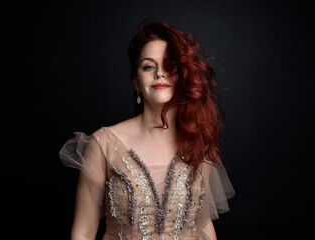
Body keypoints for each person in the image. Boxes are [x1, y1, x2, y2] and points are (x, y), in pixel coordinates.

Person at [59, 20, 235, 240]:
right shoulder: (103, 144)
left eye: (169, 66)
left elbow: (204, 224)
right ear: (136, 82)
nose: (160, 73)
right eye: (149, 66)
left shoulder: (199, 143)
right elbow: (83, 232)